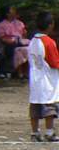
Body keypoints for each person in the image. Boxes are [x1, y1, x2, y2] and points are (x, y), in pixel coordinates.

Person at [27, 11, 59, 142]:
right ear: (50, 25)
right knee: (49, 106)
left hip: (35, 78)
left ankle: (35, 133)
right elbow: (54, 62)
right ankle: (50, 132)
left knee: (35, 106)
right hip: (47, 79)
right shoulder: (49, 42)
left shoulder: (33, 41)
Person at [0, 4, 30, 79]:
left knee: (28, 48)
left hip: (20, 42)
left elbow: (24, 35)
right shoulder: (1, 25)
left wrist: (24, 34)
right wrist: (12, 41)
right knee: (15, 49)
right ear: (7, 14)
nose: (14, 12)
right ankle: (19, 72)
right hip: (8, 44)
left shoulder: (20, 23)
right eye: (12, 11)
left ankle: (26, 72)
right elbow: (2, 38)